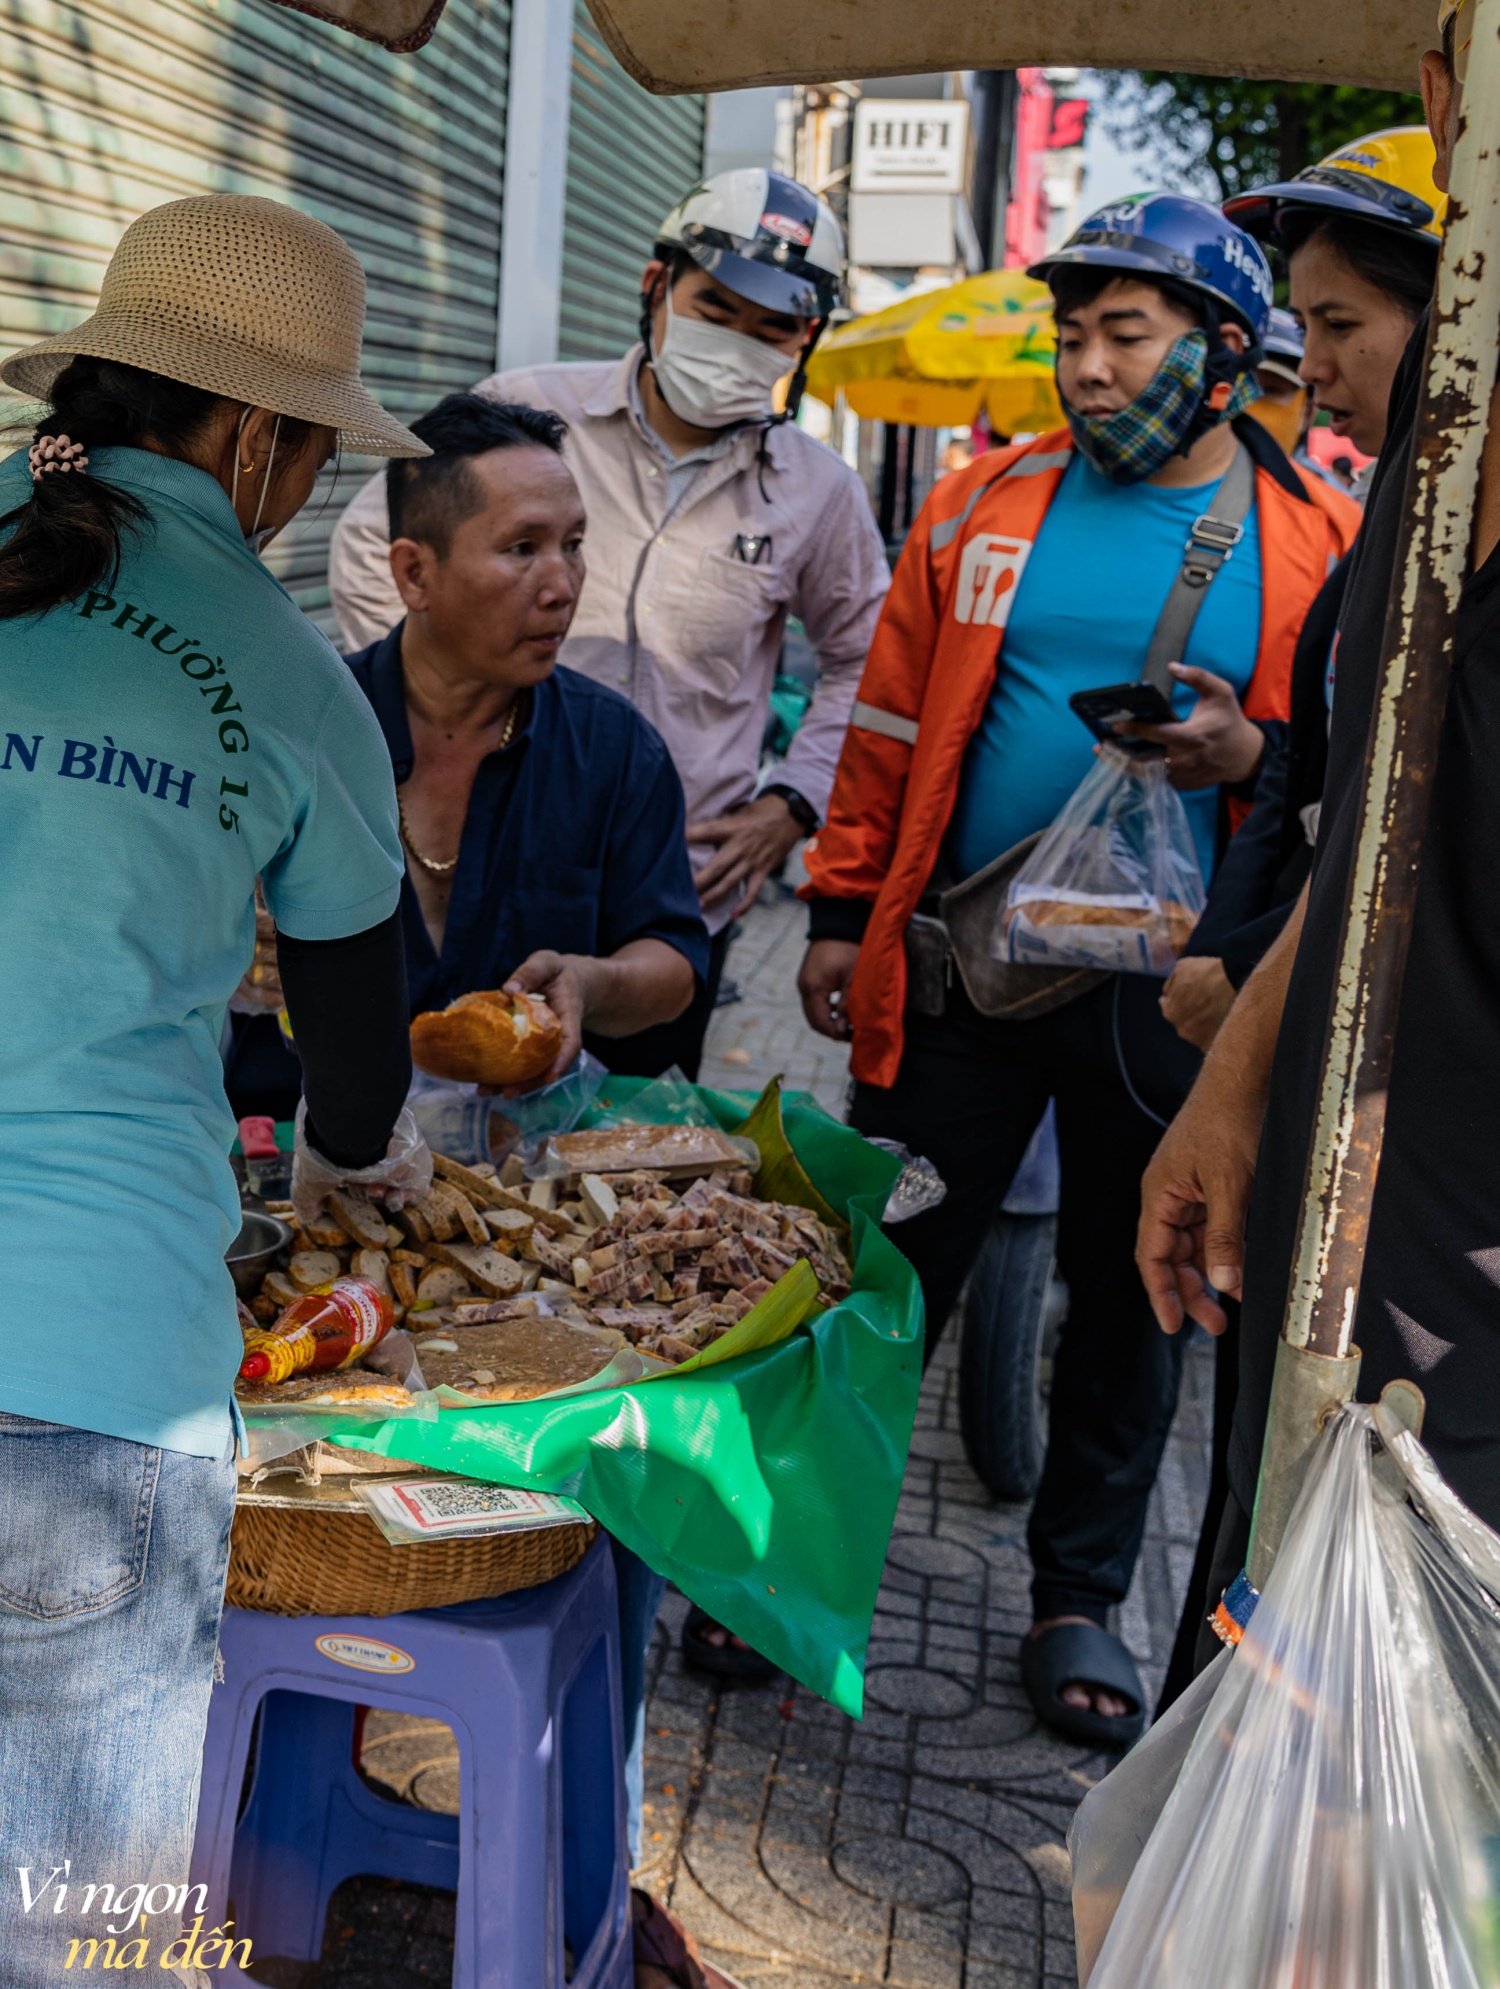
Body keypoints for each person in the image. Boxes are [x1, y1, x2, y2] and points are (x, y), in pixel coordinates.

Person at [798, 192, 1360, 1749]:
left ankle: (1079, 1597)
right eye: (1072, 335)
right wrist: (842, 911)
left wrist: (1242, 748)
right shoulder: (980, 505)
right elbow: (891, 723)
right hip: (963, 966)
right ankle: (789, 1566)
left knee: (1139, 1291)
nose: (1088, 368)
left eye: (1126, 335)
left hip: (1174, 997)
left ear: (1228, 354)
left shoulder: (1321, 542)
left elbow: (1340, 772)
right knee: (883, 1265)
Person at [0, 195, 430, 1984]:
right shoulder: (284, 673)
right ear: (256, 435)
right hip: (89, 1378)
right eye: (314, 451)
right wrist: (343, 1177)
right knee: (69, 1934)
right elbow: (358, 1034)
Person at [1136, 7, 1500, 1683]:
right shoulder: (1401, 551)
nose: (1318, 364)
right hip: (1331, 1194)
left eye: (1345, 323)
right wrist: (1238, 1078)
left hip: (1448, 1275)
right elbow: (1354, 816)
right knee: (1258, 1622)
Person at [339, 390, 709, 1863]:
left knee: (581, 1545)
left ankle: (567, 1855)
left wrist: (595, 984)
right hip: (332, 1217)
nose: (561, 581)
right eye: (519, 548)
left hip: (531, 1245)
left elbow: (674, 958)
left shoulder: (611, 751)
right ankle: (291, 1839)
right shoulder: (308, 728)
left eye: (574, 543)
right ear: (415, 569)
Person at [328, 168, 890, 1081]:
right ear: (657, 287)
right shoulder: (535, 417)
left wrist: (790, 805)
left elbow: (867, 657)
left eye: (774, 328)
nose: (739, 342)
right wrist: (430, 698)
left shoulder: (818, 493)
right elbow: (371, 543)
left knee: (621, 1159)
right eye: (717, 306)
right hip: (486, 845)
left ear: (805, 340)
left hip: (675, 889)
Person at [1160, 128, 1442, 1058]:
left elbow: (1422, 836)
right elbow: (1315, 782)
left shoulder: (1451, 547)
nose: (1311, 364)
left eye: (1341, 324)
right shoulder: (1393, 510)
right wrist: (1218, 961)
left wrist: (1247, 976)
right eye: (1305, 323)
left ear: (1461, 312)